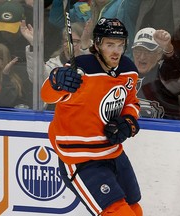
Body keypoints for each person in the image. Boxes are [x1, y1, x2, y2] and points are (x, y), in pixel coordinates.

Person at [41, 18, 142, 216]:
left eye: (120, 45)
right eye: (110, 45)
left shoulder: (128, 70)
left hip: (114, 153)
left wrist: (128, 122)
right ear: (97, 44)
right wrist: (56, 80)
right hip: (81, 158)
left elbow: (131, 102)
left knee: (134, 209)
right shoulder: (81, 70)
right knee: (117, 212)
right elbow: (47, 95)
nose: (116, 51)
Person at [132, 27, 180, 119]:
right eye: (138, 51)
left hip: (162, 131)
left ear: (159, 55)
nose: (142, 57)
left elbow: (175, 72)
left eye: (148, 52)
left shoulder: (163, 75)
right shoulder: (125, 74)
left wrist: (169, 50)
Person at [48, 0, 141, 58]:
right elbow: (57, 19)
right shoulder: (85, 8)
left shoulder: (124, 5)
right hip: (92, 62)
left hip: (119, 65)